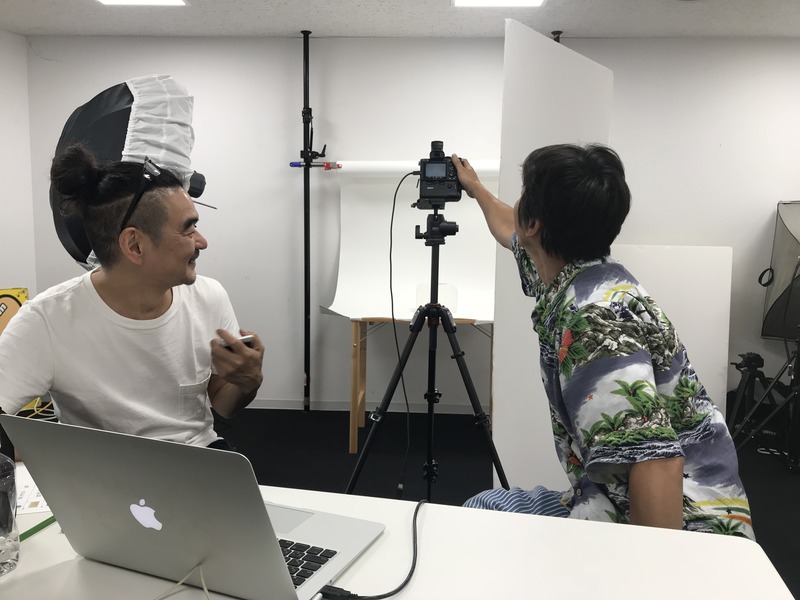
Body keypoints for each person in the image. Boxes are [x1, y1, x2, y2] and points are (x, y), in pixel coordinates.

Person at [452, 144, 754, 539]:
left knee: (479, 518)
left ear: (535, 225)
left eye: (524, 193)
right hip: (623, 494)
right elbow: (509, 226)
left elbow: (656, 462)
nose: (517, 204)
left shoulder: (595, 321)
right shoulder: (582, 269)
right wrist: (475, 187)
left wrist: (641, 570)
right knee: (488, 504)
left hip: (688, 528)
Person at [0, 144, 264, 450]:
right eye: (188, 229)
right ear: (135, 245)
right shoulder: (47, 320)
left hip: (197, 456)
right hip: (101, 469)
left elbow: (223, 403)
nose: (202, 242)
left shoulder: (209, 297)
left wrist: (248, 383)